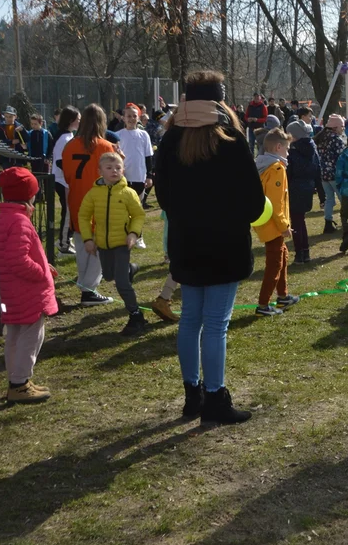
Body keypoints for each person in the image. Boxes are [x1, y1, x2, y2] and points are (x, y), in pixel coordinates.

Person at [155, 70, 264, 425]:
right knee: (215, 324)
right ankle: (215, 397)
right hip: (224, 243)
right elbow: (253, 200)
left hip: (187, 241)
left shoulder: (171, 139)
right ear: (219, 100)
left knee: (191, 319)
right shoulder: (230, 138)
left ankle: (193, 395)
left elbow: (164, 195)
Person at [0, 167, 59, 403]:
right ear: (29, 194)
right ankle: (20, 383)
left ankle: (17, 378)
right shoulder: (19, 221)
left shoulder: (6, 217)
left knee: (15, 335)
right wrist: (42, 273)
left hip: (12, 290)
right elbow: (18, 259)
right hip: (27, 291)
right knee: (32, 335)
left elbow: (21, 251)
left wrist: (44, 262)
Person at [79, 152, 148, 336]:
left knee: (121, 284)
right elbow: (84, 216)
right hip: (102, 244)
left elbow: (139, 215)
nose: (114, 171)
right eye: (109, 168)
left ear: (123, 170)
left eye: (118, 168)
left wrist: (133, 234)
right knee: (109, 275)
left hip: (122, 244)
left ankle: (136, 316)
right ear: (100, 171)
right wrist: (88, 239)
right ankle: (129, 269)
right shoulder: (94, 193)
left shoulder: (128, 193)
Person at [61, 104, 118, 306]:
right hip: (98, 201)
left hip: (77, 199)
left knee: (82, 242)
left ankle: (86, 286)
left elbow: (67, 175)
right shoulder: (105, 146)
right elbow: (113, 176)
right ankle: (89, 289)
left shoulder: (70, 145)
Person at [254, 128, 300, 316]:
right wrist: (284, 227)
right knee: (274, 264)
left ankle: (283, 296)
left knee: (282, 256)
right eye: (287, 149)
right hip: (273, 224)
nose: (288, 153)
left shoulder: (262, 165)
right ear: (279, 147)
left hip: (265, 221)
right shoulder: (277, 169)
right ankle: (263, 305)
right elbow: (276, 203)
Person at [286, 119, 321, 264]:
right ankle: (305, 252)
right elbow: (318, 169)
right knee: (301, 221)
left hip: (294, 189)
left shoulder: (293, 152)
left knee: (296, 222)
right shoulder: (312, 149)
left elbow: (289, 172)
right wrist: (320, 193)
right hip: (307, 188)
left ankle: (299, 253)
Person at [116, 105, 154, 224]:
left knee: (138, 207)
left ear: (138, 118)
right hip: (123, 177)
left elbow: (148, 157)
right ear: (123, 118)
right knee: (123, 206)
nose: (131, 119)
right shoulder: (118, 135)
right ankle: (124, 232)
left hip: (139, 176)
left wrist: (149, 176)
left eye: (134, 116)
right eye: (128, 116)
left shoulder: (144, 135)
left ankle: (138, 234)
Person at [51, 106, 80, 254]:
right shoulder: (64, 138)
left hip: (65, 180)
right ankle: (63, 244)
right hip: (63, 180)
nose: (80, 122)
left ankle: (66, 239)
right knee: (68, 212)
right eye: (78, 120)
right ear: (71, 120)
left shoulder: (68, 136)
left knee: (71, 211)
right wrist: (72, 175)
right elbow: (60, 162)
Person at [314, 114, 346, 235]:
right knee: (344, 199)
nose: (343, 128)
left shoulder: (320, 137)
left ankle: (328, 222)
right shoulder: (336, 139)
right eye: (342, 126)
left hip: (323, 174)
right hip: (335, 174)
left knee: (329, 200)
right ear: (335, 127)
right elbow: (342, 157)